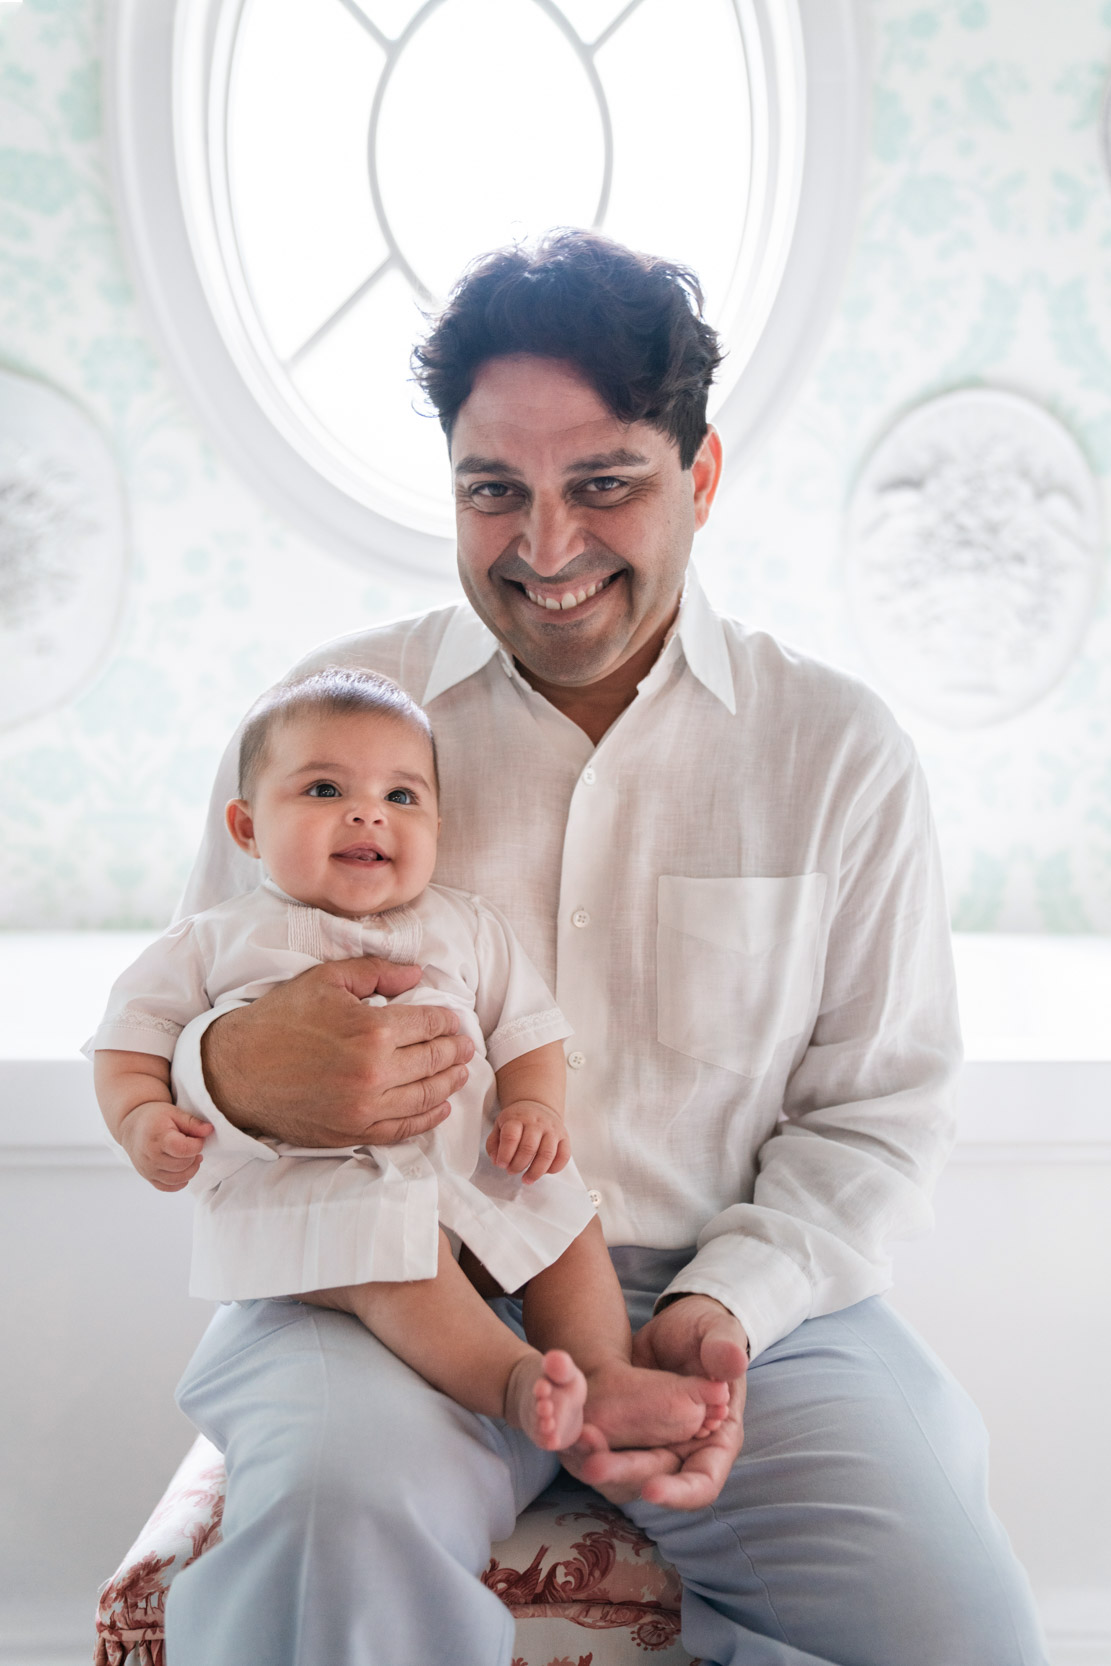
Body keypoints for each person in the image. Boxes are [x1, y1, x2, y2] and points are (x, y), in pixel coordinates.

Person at [161, 232, 1047, 1664]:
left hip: (737, 1297)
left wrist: (718, 1307)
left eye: (604, 485)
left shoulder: (835, 749)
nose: (545, 546)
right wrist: (233, 1072)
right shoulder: (325, 731)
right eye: (492, 490)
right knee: (330, 1520)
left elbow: (875, 1112)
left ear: (697, 478)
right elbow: (184, 1047)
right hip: (385, 1282)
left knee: (956, 1627)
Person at [90, 667, 731, 1452]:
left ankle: (601, 1371)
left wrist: (534, 1109)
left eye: (401, 797)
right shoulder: (214, 940)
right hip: (320, 1195)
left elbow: (529, 1031)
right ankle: (514, 1383)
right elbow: (131, 1040)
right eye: (324, 790)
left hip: (472, 1167)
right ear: (247, 827)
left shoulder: (466, 926)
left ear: (436, 824)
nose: (367, 812)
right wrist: (140, 1118)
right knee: (393, 1253)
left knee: (561, 1209)